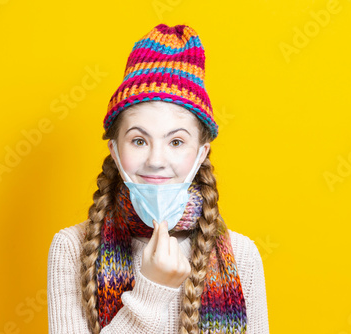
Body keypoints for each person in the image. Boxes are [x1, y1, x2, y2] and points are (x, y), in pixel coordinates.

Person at [47, 23, 269, 334]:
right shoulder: (72, 248)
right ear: (114, 149)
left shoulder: (243, 255)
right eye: (139, 140)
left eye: (176, 142)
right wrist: (150, 294)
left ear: (201, 153)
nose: (155, 160)